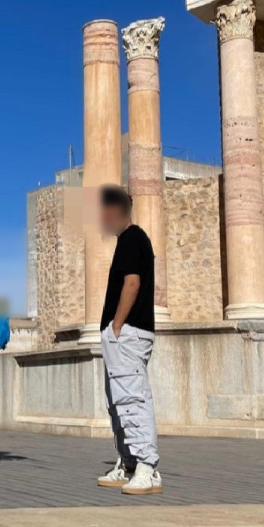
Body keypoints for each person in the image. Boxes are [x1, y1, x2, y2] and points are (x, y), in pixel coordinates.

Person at [96, 184, 162, 495]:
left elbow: (132, 283)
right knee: (118, 402)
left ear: (113, 211)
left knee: (133, 400)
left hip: (129, 333)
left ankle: (148, 468)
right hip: (121, 334)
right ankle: (130, 463)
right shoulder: (128, 241)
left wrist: (117, 326)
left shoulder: (134, 238)